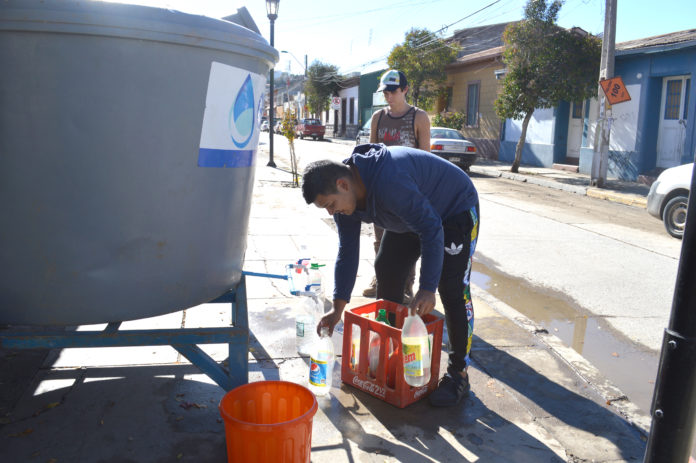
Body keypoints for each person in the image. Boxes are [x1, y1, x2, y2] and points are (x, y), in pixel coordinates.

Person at [301, 144, 480, 407]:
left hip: (453, 209)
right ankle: (395, 353)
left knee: (451, 287)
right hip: (412, 215)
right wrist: (337, 309)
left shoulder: (389, 181)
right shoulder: (346, 200)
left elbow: (431, 227)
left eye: (330, 205)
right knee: (387, 268)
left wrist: (427, 287)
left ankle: (458, 374)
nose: (331, 212)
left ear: (343, 184)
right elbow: (347, 251)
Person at [362, 69, 431, 303]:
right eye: (385, 92)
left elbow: (426, 159)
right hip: (381, 191)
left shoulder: (418, 117)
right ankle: (380, 278)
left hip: (408, 192)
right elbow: (370, 153)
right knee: (380, 239)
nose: (388, 96)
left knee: (407, 240)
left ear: (405, 90)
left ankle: (407, 283)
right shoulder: (378, 118)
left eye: (392, 91)